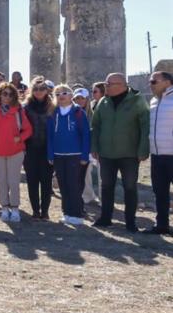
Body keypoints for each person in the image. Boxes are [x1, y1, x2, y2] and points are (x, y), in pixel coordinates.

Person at [91, 73, 150, 232]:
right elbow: (95, 126)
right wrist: (94, 147)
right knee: (106, 187)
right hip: (106, 154)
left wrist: (143, 148)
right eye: (105, 83)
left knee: (130, 187)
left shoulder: (138, 101)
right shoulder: (103, 102)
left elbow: (145, 127)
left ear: (122, 85)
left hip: (129, 154)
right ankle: (105, 218)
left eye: (109, 84)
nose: (106, 86)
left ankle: (130, 222)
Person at [0, 82, 33, 222]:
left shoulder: (19, 111)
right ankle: (5, 208)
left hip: (15, 151)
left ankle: (15, 209)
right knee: (1, 181)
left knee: (13, 181)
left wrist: (19, 138)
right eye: (4, 93)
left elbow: (28, 130)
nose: (7, 97)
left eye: (10, 94)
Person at [47, 84, 91, 226]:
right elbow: (50, 136)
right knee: (63, 185)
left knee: (74, 185)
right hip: (58, 155)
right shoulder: (53, 113)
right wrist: (50, 154)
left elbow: (85, 135)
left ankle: (77, 214)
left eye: (65, 93)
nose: (61, 96)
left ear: (71, 96)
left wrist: (85, 156)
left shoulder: (78, 112)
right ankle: (66, 213)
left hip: (75, 155)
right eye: (58, 94)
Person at [22, 80, 55, 220]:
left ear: (47, 90)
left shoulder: (53, 107)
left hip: (47, 148)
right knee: (32, 181)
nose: (39, 91)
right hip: (30, 149)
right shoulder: (26, 107)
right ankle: (36, 210)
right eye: (36, 88)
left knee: (46, 181)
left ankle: (45, 211)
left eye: (42, 88)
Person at [147, 71, 173, 235]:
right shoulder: (153, 101)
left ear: (167, 82)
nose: (150, 84)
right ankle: (162, 225)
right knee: (160, 192)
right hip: (156, 155)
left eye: (153, 81)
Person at [74, 87, 100, 205]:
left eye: (82, 98)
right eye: (77, 98)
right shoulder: (72, 113)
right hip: (79, 148)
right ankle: (87, 196)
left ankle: (97, 197)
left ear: (87, 99)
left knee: (96, 174)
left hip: (92, 148)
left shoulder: (93, 114)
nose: (79, 101)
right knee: (84, 175)